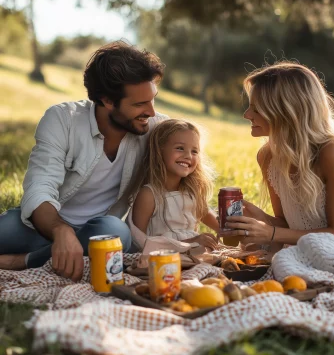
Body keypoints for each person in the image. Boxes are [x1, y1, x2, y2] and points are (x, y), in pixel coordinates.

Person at [0, 40, 168, 281]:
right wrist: (61, 230)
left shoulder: (156, 129)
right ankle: (49, 252)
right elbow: (39, 189)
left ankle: (24, 261)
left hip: (99, 234)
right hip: (43, 227)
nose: (151, 112)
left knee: (115, 233)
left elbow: (185, 174)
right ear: (107, 100)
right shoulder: (62, 119)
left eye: (153, 100)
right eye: (140, 104)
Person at [222, 61, 334, 288]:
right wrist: (259, 219)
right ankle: (328, 281)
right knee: (283, 259)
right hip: (310, 248)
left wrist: (271, 232)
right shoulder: (267, 156)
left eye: (256, 108)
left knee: (304, 252)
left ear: (286, 111)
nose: (247, 114)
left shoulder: (332, 154)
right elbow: (287, 223)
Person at [127, 119, 220, 249]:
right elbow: (138, 242)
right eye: (180, 148)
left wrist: (230, 229)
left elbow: (212, 219)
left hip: (192, 254)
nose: (188, 156)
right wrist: (192, 242)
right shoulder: (149, 195)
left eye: (194, 151)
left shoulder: (191, 193)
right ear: (160, 151)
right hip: (163, 259)